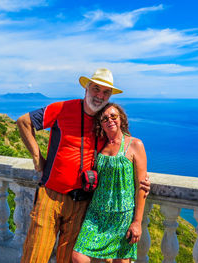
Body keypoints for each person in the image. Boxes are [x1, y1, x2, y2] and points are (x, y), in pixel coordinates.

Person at [17, 68, 150, 263]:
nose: (100, 95)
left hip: (82, 201)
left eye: (106, 92)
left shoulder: (103, 124)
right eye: (96, 89)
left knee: (66, 258)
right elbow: (23, 122)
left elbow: (121, 156)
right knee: (35, 255)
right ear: (86, 89)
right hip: (51, 194)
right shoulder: (63, 108)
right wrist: (38, 160)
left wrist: (142, 181)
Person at [72, 103, 147, 263]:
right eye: (105, 118)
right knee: (79, 257)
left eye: (114, 116)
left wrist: (137, 222)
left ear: (121, 119)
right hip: (96, 213)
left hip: (122, 215)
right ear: (100, 123)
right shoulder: (99, 145)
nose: (110, 120)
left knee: (120, 261)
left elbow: (142, 186)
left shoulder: (134, 144)